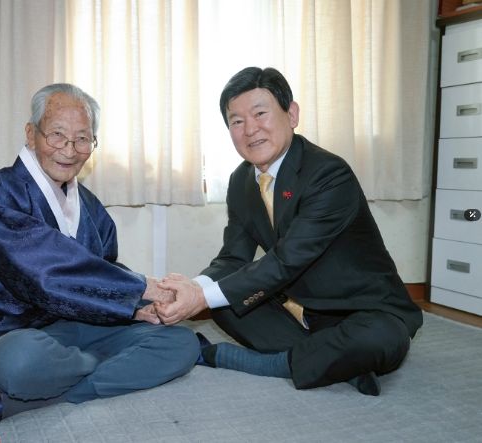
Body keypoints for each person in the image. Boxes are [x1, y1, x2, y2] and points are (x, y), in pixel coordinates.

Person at [0, 83, 199, 433]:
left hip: (85, 326)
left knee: (180, 342)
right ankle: (101, 367)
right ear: (31, 134)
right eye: (57, 135)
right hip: (17, 332)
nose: (69, 150)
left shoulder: (88, 204)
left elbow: (104, 268)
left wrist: (138, 308)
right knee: (17, 360)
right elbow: (47, 272)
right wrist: (144, 288)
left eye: (82, 139)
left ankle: (57, 392)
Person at [155, 67, 423, 396]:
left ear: (291, 114)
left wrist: (201, 298)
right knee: (225, 302)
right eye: (236, 121)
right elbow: (233, 258)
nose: (250, 129)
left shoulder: (328, 173)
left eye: (260, 114)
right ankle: (336, 363)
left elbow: (287, 259)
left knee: (378, 339)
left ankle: (248, 360)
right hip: (299, 310)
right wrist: (194, 288)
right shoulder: (241, 180)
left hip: (362, 309)